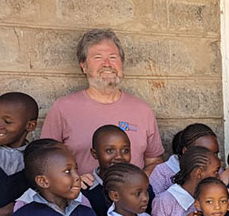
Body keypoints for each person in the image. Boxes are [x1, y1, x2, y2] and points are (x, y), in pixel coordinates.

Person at [42, 29, 163, 175]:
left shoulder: (142, 110)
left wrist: (137, 184)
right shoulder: (63, 108)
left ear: (122, 63)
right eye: (97, 57)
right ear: (84, 66)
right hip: (79, 196)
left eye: (113, 57)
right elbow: (45, 161)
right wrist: (73, 180)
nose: (107, 64)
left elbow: (154, 161)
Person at [149, 123, 220, 194]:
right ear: (185, 151)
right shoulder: (162, 173)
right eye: (204, 153)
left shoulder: (216, 170)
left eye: (215, 153)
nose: (213, 158)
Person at [84, 125, 132, 216]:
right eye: (110, 151)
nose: (119, 156)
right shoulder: (85, 190)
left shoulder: (141, 187)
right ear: (94, 154)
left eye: (125, 150)